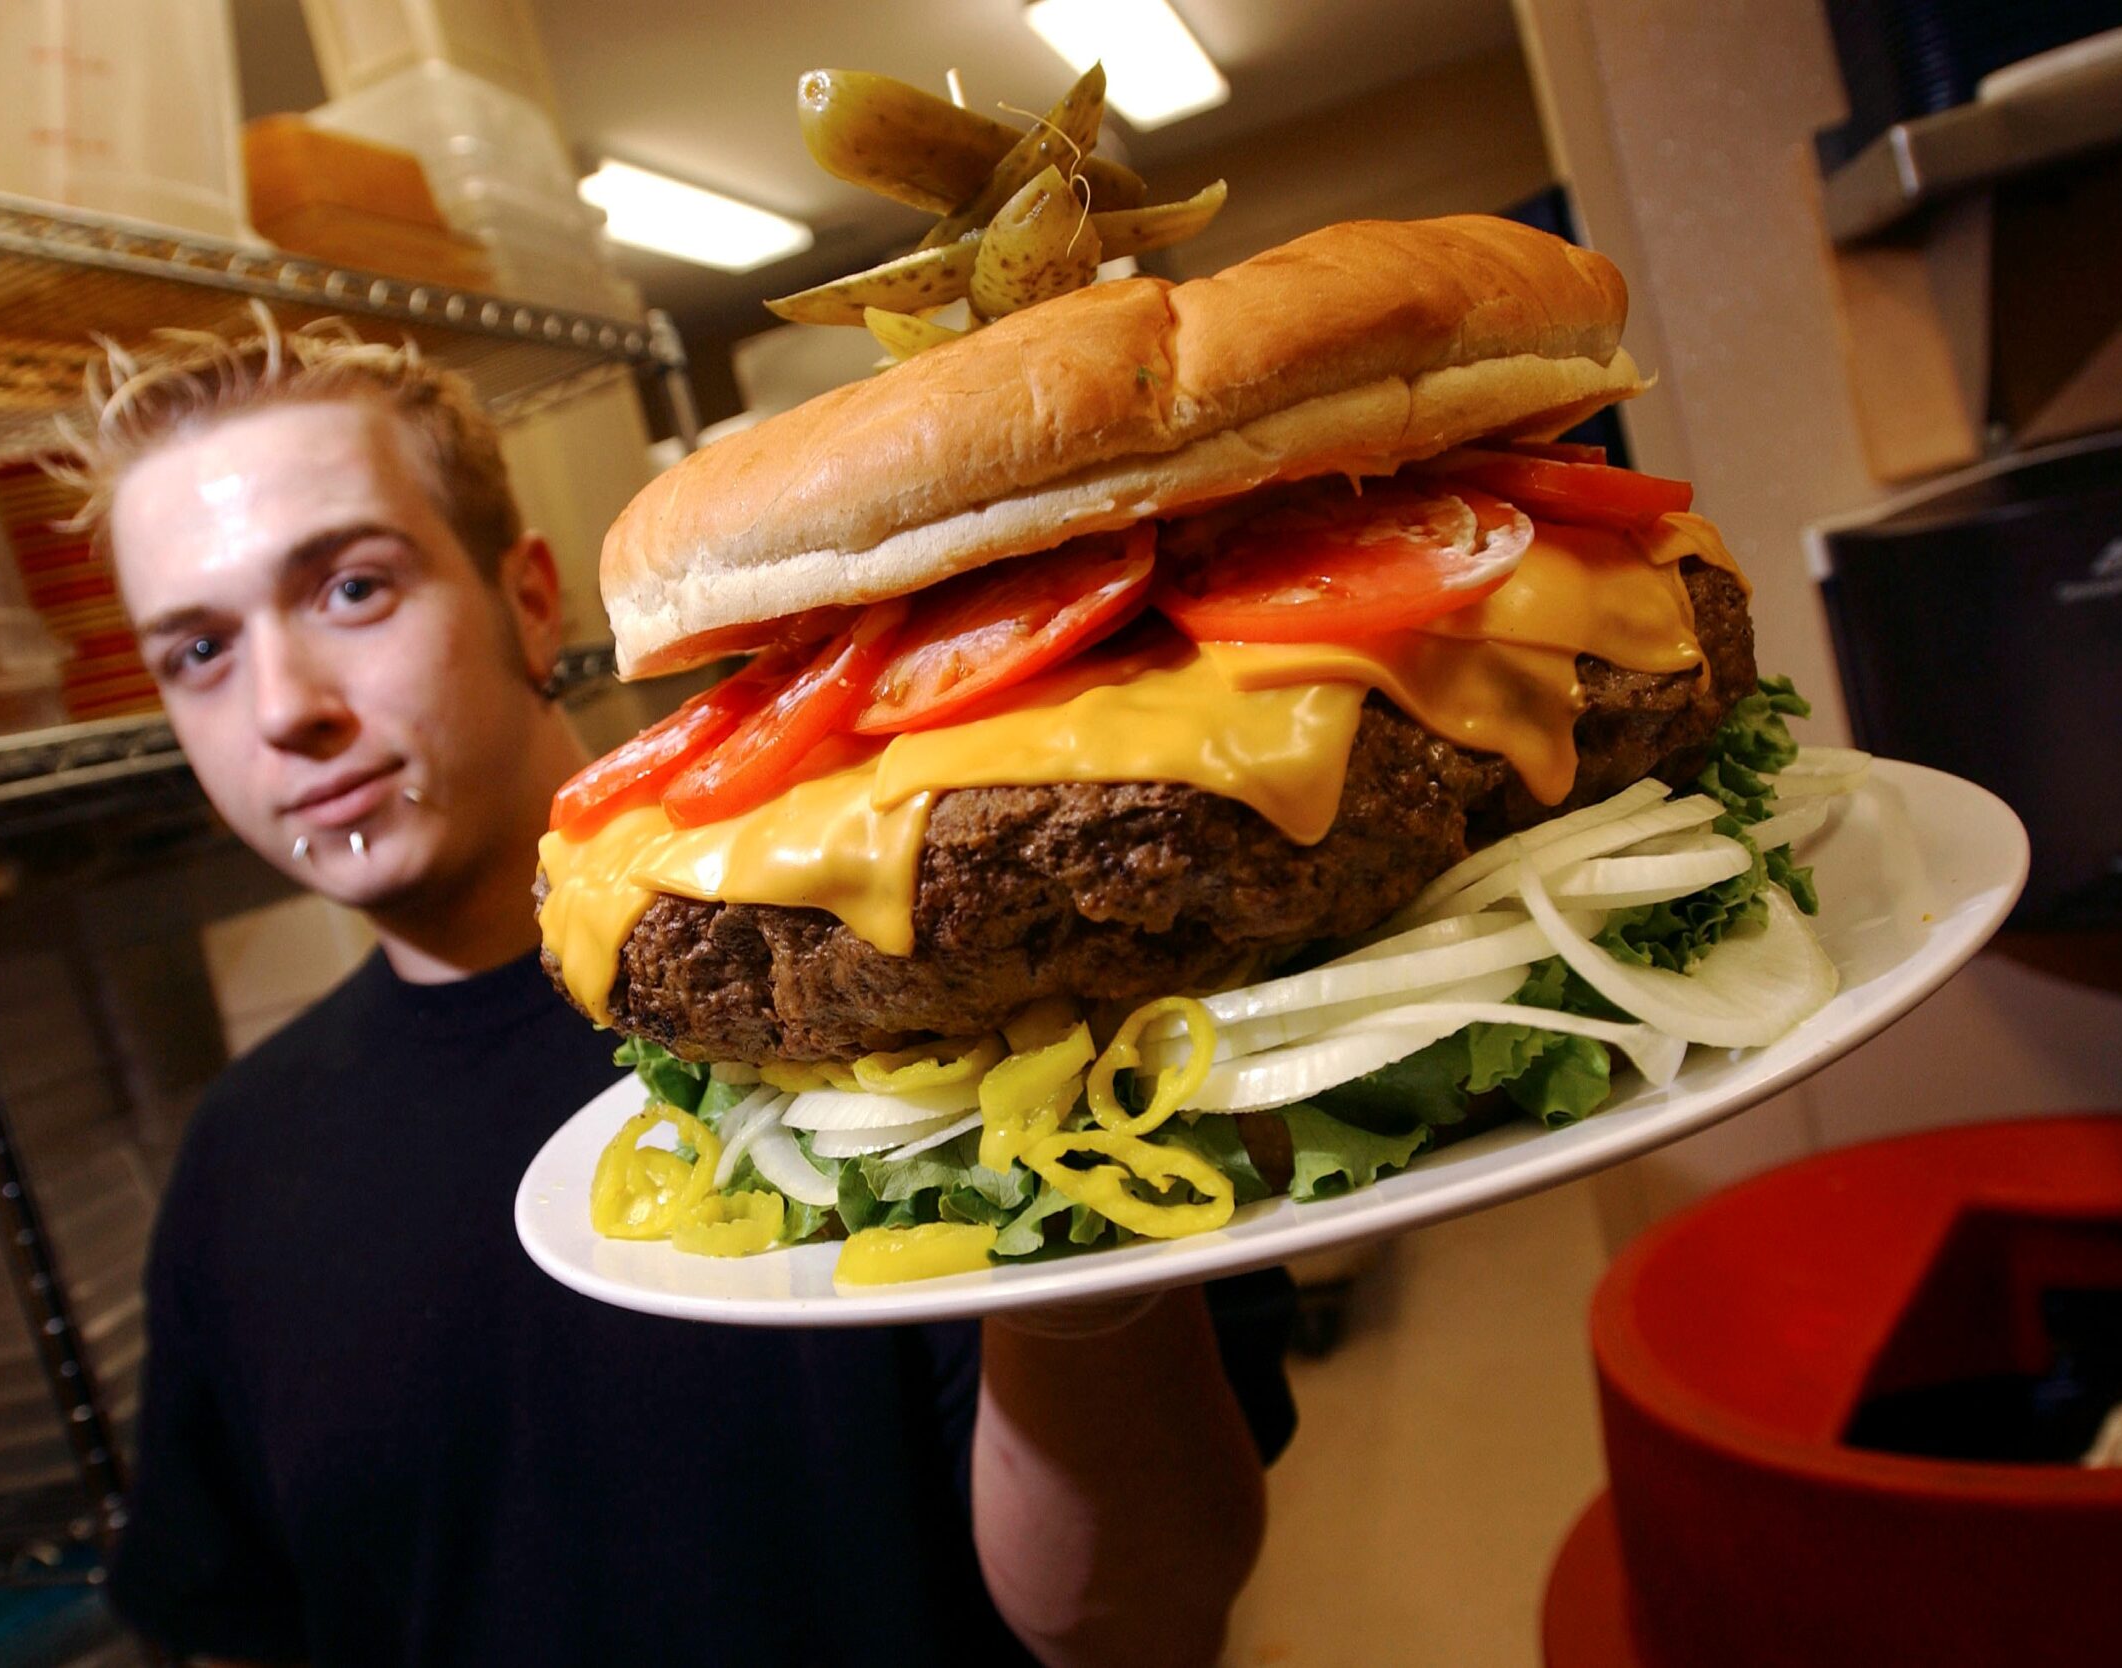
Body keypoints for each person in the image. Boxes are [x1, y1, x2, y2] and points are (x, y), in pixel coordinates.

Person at [67, 315, 1297, 1667]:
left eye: (352, 588)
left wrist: (1057, 1228)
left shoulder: (885, 989)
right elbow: (241, 1632)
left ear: (528, 600)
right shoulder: (240, 1165)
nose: (282, 706)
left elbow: (1138, 1626)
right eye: (198, 653)